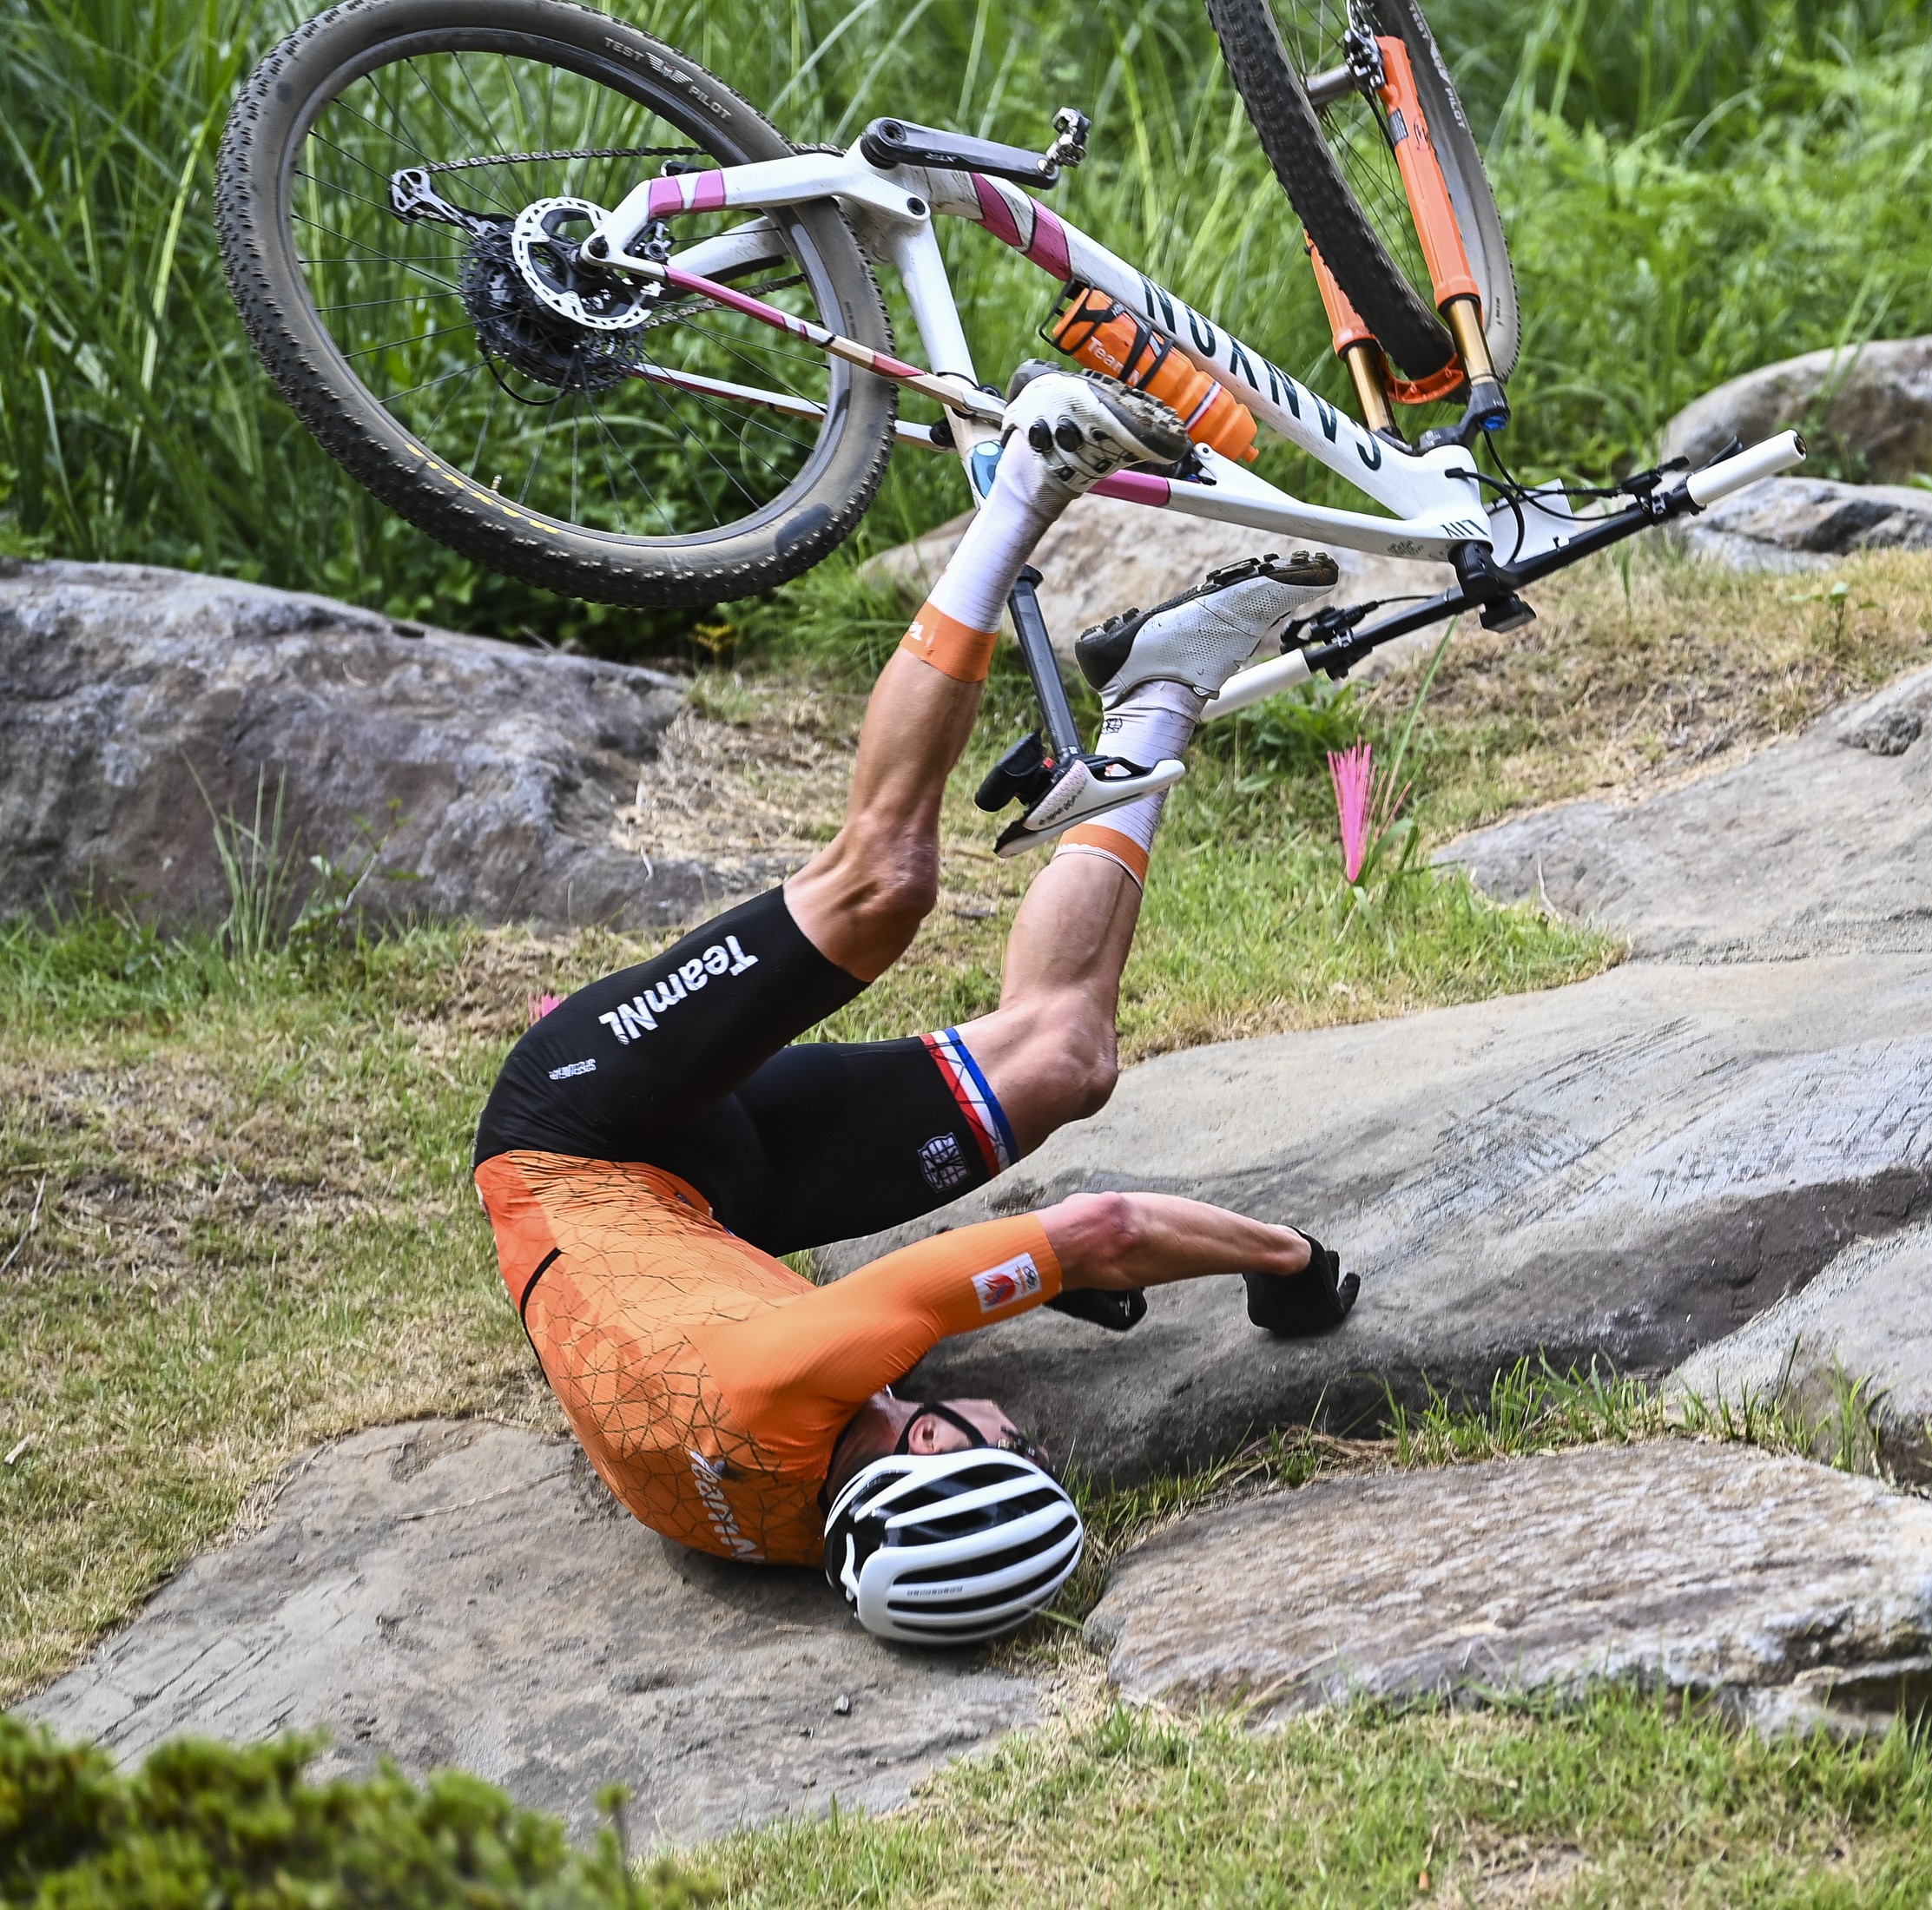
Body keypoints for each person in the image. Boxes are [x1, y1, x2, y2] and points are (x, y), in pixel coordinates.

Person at [469, 370, 1361, 1644]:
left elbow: (1096, 1225)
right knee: (1065, 1057)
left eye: (1009, 1454)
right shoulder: (816, 1526)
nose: (1026, 1434)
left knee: (882, 886)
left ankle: (1028, 476)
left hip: (577, 1134)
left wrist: (1294, 1270)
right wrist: (1006, 1289)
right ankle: (1161, 687)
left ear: (928, 1443)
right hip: (719, 1209)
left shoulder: (805, 1388)